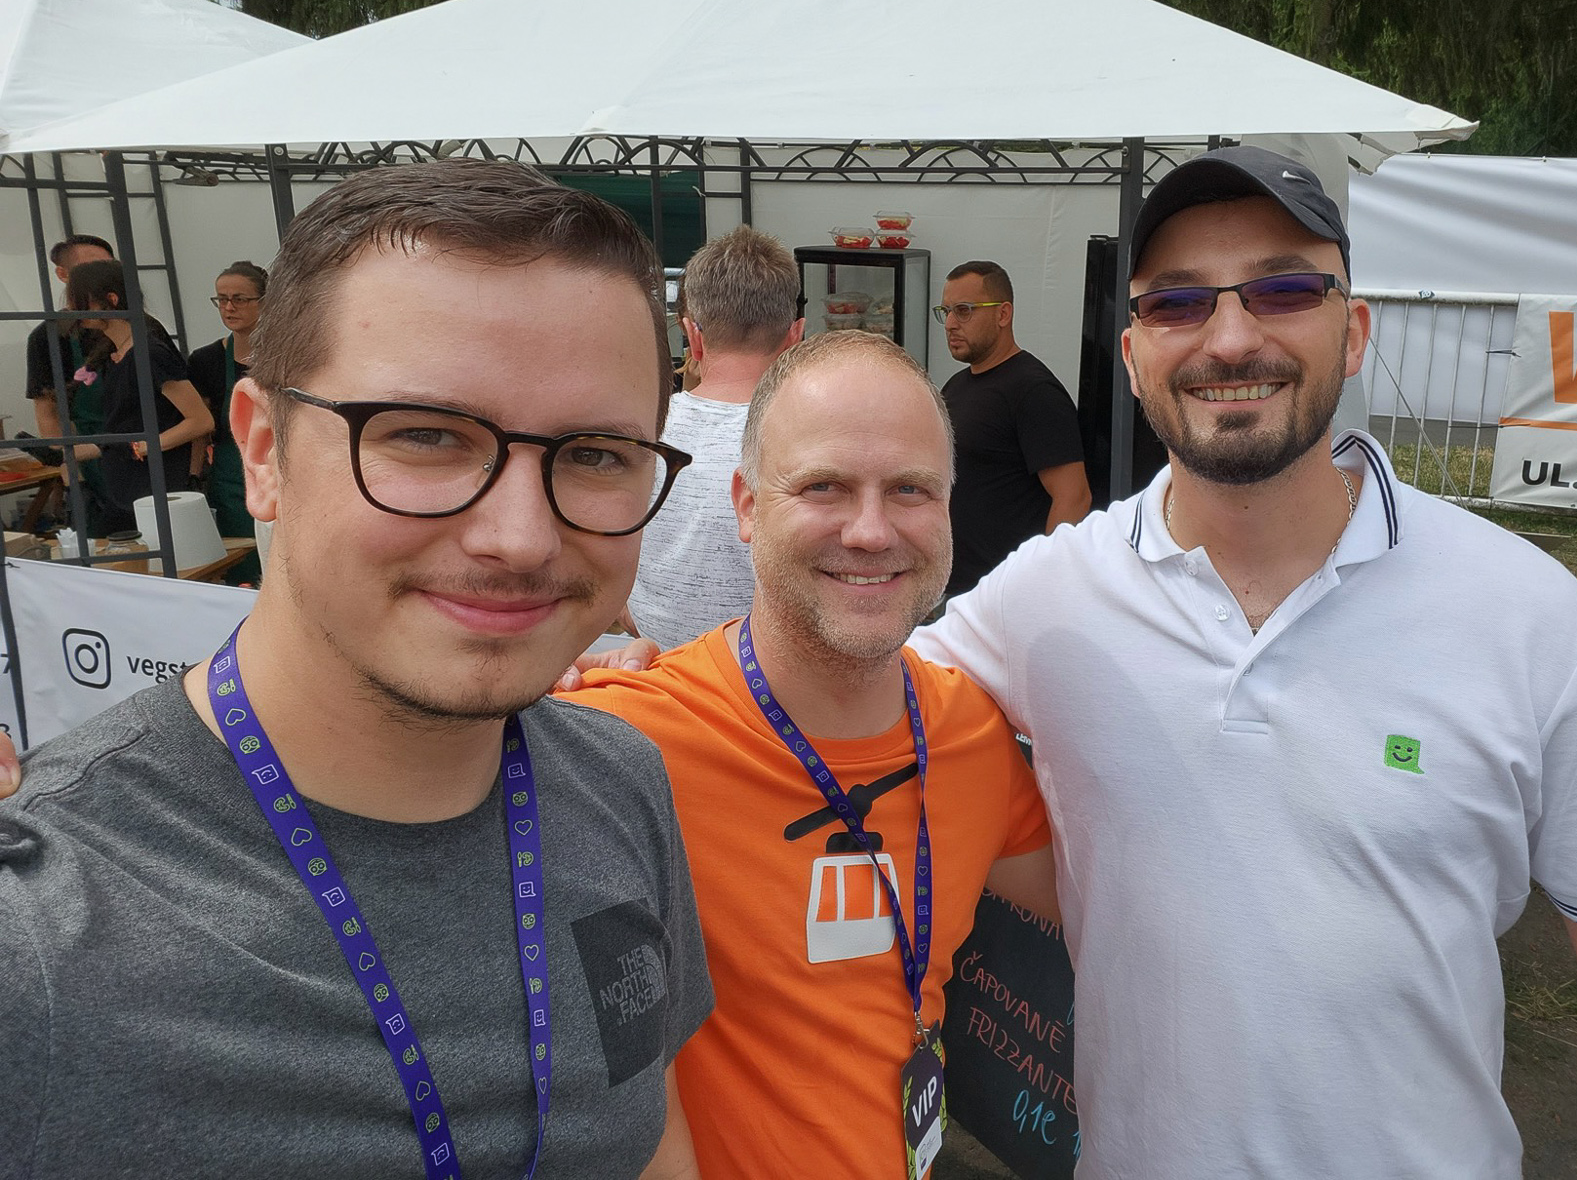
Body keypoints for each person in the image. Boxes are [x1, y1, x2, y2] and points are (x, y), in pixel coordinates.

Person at [917, 146, 1577, 1178]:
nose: (1229, 337)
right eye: (1178, 303)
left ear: (1354, 330)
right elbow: (856, 706)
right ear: (1131, 352)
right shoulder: (1052, 595)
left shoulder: (1531, 616)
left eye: (1284, 289)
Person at [0, 161, 711, 1179]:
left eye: (597, 453)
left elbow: (648, 1133)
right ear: (263, 451)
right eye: (425, 435)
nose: (519, 536)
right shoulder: (39, 935)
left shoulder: (622, 783)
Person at [558, 330, 1054, 1180]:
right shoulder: (615, 744)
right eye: (824, 486)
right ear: (747, 506)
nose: (870, 531)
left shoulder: (972, 734)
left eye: (910, 489)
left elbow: (1121, 904)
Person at [626, 226, 804, 648]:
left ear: (693, 336)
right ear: (795, 337)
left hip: (653, 663)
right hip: (762, 672)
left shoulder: (643, 429)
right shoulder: (807, 439)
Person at [936, 260, 1090, 595]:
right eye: (945, 311)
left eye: (964, 311)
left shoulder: (1033, 391)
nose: (950, 324)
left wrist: (1039, 582)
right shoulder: (956, 386)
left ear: (1003, 314)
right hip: (958, 588)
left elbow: (1074, 497)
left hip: (1007, 591)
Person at [66, 257, 212, 535]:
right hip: (125, 489)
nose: (74, 310)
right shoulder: (112, 356)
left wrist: (142, 447)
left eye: (82, 301)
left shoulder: (149, 353)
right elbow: (121, 433)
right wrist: (64, 453)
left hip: (157, 488)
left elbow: (200, 421)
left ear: (111, 300)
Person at [22, 234, 114, 512]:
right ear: (63, 275)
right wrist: (73, 473)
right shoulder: (48, 337)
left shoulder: (139, 325)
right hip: (90, 462)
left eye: (109, 266)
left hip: (148, 453)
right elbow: (48, 412)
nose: (102, 275)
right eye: (89, 268)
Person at [189, 260, 268, 580]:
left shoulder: (288, 356)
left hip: (278, 472)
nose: (229, 307)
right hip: (229, 481)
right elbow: (200, 429)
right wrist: (194, 477)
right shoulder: (205, 360)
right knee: (242, 566)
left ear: (265, 302)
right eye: (221, 299)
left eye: (240, 299)